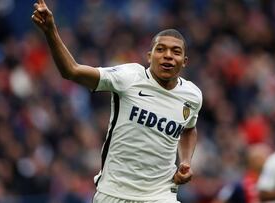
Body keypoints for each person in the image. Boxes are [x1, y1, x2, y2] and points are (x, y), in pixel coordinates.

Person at [31, 0, 202, 202]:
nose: (167, 56)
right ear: (149, 56)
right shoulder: (129, 77)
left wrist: (186, 161)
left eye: (176, 52)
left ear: (185, 61)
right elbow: (72, 71)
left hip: (160, 194)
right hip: (114, 193)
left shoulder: (192, 95)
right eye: (161, 49)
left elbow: (189, 128)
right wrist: (51, 31)